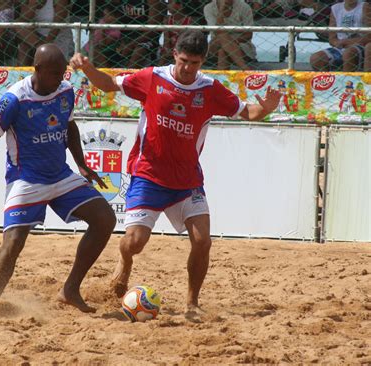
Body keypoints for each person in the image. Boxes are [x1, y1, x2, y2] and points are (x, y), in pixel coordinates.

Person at [70, 30, 280, 314]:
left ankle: (192, 303)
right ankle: (125, 262)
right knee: (135, 243)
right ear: (174, 55)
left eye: (194, 63)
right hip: (148, 174)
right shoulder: (153, 77)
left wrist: (266, 108)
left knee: (203, 240)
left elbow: (248, 112)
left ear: (202, 61)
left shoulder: (210, 90)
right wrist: (87, 67)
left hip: (187, 180)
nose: (187, 68)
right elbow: (108, 84)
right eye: (183, 61)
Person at [0, 44, 116, 313]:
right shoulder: (14, 99)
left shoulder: (65, 90)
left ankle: (70, 289)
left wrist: (82, 164)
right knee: (14, 243)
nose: (60, 78)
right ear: (38, 70)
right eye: (54, 73)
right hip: (25, 179)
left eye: (63, 72)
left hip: (60, 175)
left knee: (105, 219)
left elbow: (69, 126)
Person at [310, 0, 371, 72]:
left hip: (360, 45)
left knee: (349, 53)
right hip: (341, 47)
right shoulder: (335, 8)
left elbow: (369, 36)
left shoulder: (365, 6)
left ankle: (347, 80)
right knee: (316, 58)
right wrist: (338, 43)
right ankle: (328, 81)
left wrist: (346, 42)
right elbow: (332, 38)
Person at [16, 0, 74, 66]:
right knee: (23, 45)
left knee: (42, 61)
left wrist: (45, 47)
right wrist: (33, 4)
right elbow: (22, 21)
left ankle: (41, 50)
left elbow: (57, 25)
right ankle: (21, 74)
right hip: (35, 40)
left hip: (56, 39)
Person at [203, 0, 257, 70]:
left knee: (222, 52)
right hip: (216, 44)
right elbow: (217, 32)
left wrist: (231, 42)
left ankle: (221, 78)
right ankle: (245, 69)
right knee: (222, 36)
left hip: (241, 45)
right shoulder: (209, 8)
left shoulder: (244, 7)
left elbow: (248, 35)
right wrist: (221, 12)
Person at [159, 0, 193, 66]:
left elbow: (186, 40)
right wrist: (167, 50)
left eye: (170, 3)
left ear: (180, 6)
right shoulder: (167, 19)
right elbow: (166, 38)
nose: (167, 5)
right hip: (170, 48)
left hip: (183, 48)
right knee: (163, 57)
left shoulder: (189, 20)